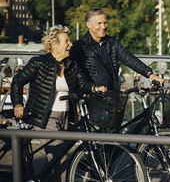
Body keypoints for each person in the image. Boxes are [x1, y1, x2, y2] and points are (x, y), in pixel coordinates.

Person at [11, 25, 106, 181]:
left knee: (54, 160)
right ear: (54, 45)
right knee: (62, 160)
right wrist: (17, 104)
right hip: (45, 117)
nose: (70, 45)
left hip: (67, 117)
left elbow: (83, 83)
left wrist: (95, 88)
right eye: (67, 41)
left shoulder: (71, 64)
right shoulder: (39, 63)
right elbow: (17, 81)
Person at [70, 8, 164, 93]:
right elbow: (74, 75)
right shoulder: (80, 46)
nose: (103, 27)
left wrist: (149, 74)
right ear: (88, 25)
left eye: (105, 23)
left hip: (112, 95)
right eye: (99, 23)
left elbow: (129, 58)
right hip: (91, 96)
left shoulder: (112, 43)